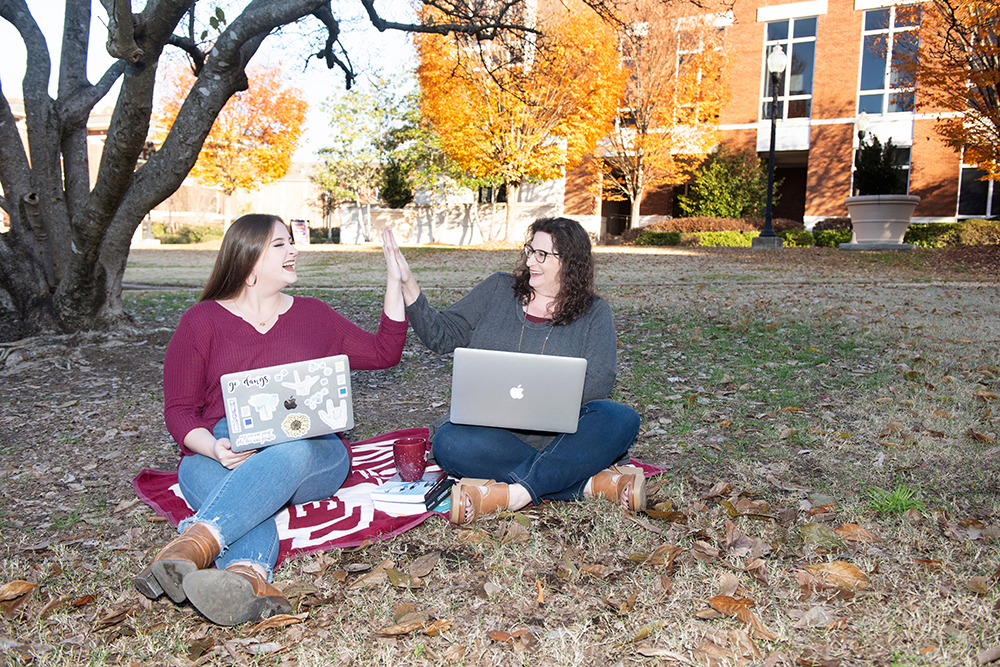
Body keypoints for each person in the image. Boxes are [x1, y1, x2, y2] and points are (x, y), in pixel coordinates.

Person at [135, 214, 407, 625]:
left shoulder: (315, 315)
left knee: (290, 446)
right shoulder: (201, 322)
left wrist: (395, 281)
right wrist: (213, 448)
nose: (294, 250)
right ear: (248, 260)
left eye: (290, 242)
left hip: (314, 452)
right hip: (226, 449)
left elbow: (384, 352)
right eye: (280, 244)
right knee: (213, 478)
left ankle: (193, 545)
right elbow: (179, 410)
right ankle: (248, 580)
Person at [382, 217, 643, 524]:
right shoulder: (497, 289)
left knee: (620, 418)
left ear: (570, 262)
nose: (531, 260)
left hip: (562, 436)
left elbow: (600, 379)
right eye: (530, 250)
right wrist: (407, 282)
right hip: (492, 437)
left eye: (542, 255)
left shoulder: (595, 313)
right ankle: (588, 484)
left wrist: (540, 403)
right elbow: (442, 335)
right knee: (450, 442)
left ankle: (512, 494)